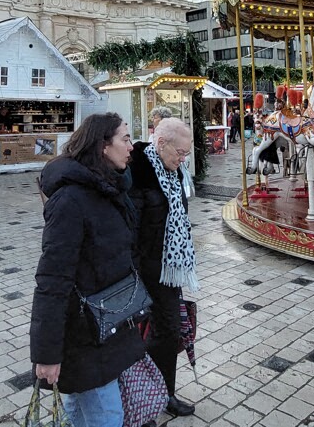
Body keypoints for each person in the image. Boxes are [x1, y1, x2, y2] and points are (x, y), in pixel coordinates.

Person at [31, 113, 143, 427]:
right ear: (103, 146)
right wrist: (47, 353)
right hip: (83, 334)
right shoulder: (70, 201)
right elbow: (52, 280)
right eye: (125, 138)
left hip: (106, 324)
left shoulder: (109, 189)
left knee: (79, 413)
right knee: (108, 417)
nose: (131, 146)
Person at [129, 117, 198, 419]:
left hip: (169, 267)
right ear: (160, 144)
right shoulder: (138, 173)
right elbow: (129, 229)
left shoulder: (174, 171)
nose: (183, 160)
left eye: (187, 154)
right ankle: (148, 395)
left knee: (169, 331)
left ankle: (162, 393)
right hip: (142, 270)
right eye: (180, 153)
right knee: (156, 333)